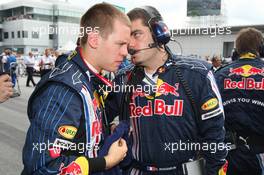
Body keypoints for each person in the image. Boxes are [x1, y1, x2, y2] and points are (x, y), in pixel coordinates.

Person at [106, 6, 228, 175]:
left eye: (136, 34)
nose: (130, 45)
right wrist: (114, 126)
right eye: (126, 38)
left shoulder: (196, 74)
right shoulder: (122, 78)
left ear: (159, 33)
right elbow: (102, 119)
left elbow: (215, 136)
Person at [22, 3, 131, 175]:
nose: (126, 52)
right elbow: (43, 166)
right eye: (120, 44)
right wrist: (107, 161)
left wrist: (103, 131)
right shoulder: (64, 89)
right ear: (94, 40)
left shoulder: (88, 77)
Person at [215, 27, 264, 175]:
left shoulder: (220, 74)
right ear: (261, 49)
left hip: (228, 153)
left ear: (236, 50)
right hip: (259, 152)